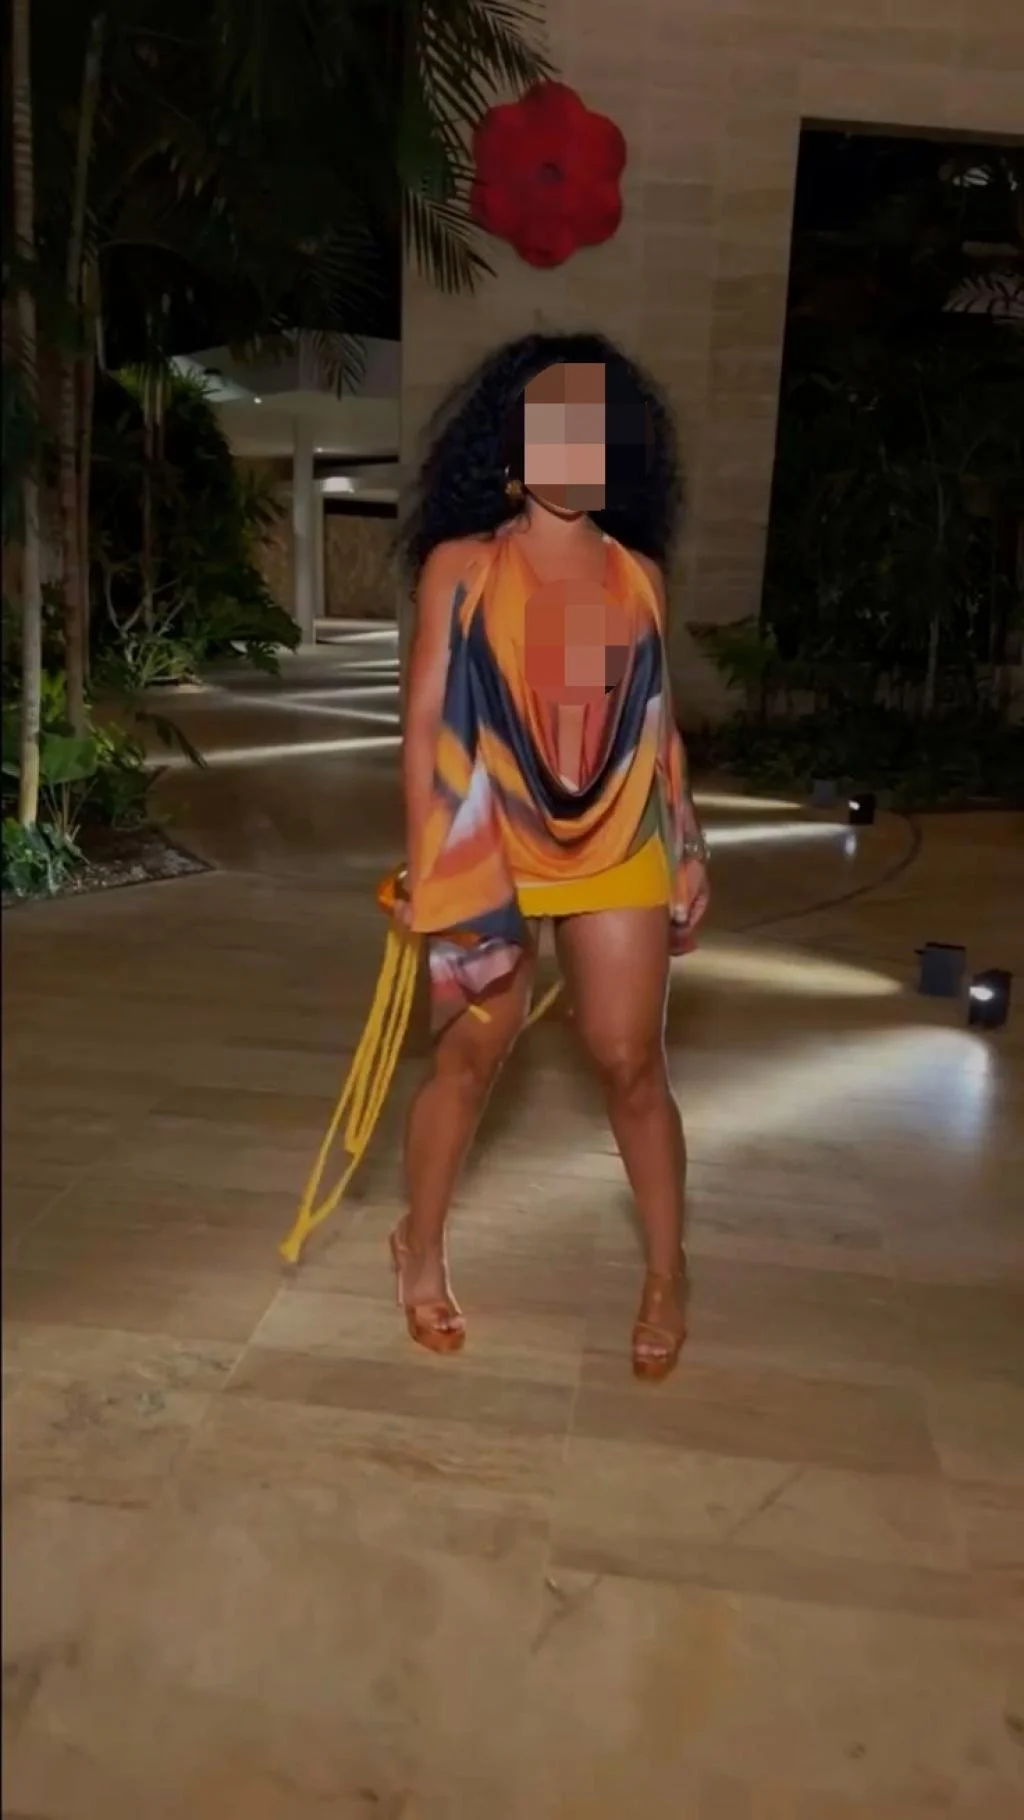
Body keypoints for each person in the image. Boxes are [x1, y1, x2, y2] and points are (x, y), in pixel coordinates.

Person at [389, 332, 710, 1381]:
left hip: (617, 834)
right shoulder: (461, 568)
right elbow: (425, 720)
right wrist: (426, 858)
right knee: (468, 1060)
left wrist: (688, 840)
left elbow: (658, 722)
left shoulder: (639, 575)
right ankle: (418, 1245)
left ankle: (666, 1272)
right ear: (516, 449)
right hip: (492, 839)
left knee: (629, 1060)